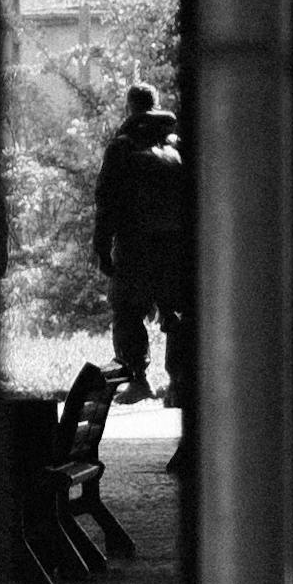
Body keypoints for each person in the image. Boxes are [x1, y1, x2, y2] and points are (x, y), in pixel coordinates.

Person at [94, 81, 189, 403]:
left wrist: (101, 247)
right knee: (176, 314)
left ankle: (138, 380)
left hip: (135, 246)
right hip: (176, 247)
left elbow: (106, 201)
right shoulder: (177, 145)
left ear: (130, 107)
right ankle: (179, 384)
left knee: (127, 311)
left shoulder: (122, 146)